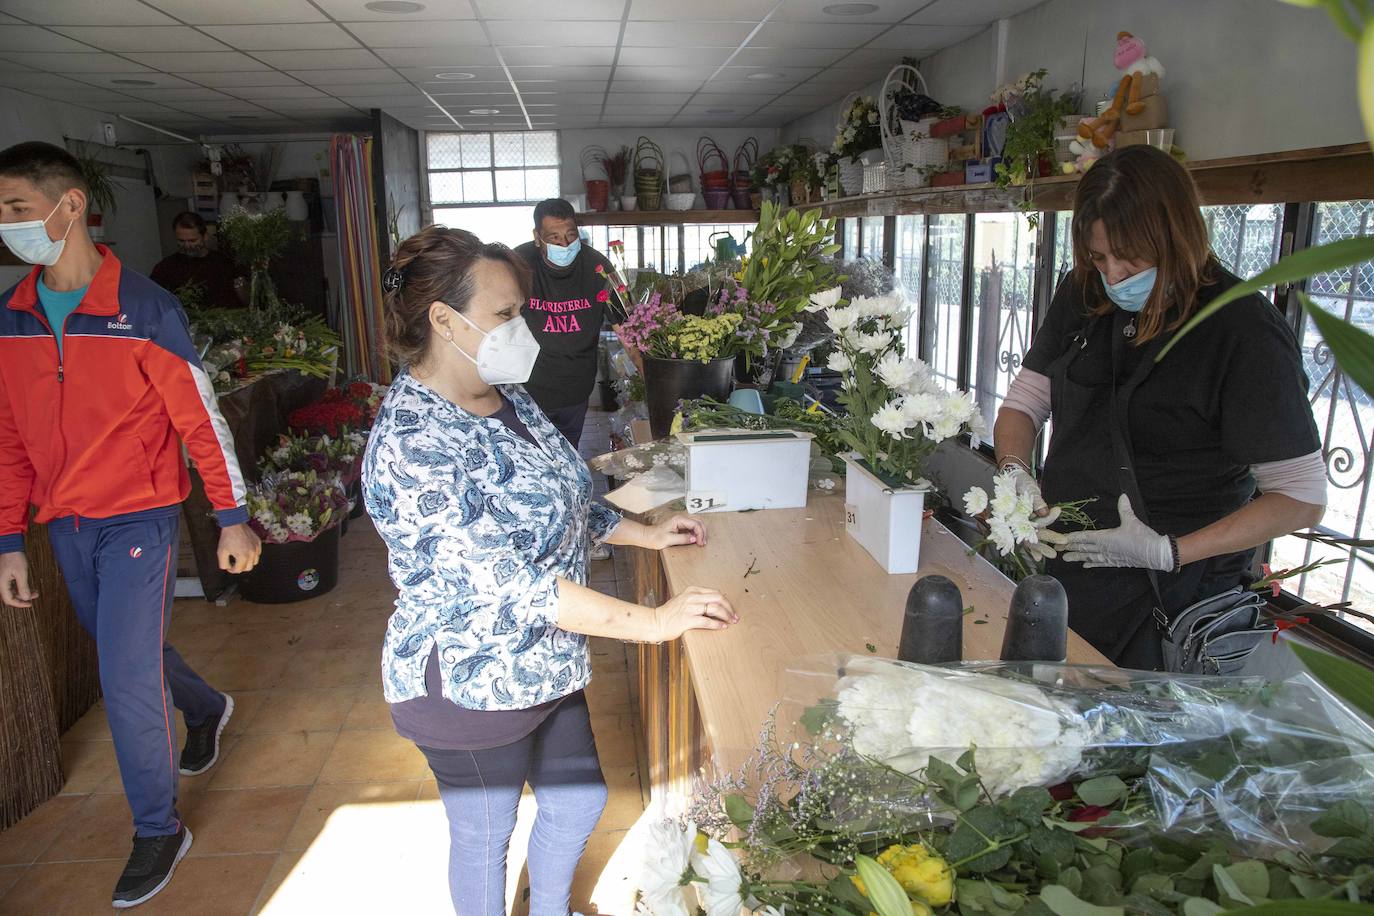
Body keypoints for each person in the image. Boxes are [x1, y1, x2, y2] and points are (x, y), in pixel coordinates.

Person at [364, 225, 736, 916]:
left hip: (542, 657)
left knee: (580, 799)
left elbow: (566, 497)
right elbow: (509, 584)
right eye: (505, 314)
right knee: (484, 835)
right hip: (468, 678)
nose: (521, 328)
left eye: (521, 312)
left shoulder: (505, 394)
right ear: (444, 320)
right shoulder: (414, 441)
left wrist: (646, 534)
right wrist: (652, 623)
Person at [0, 142, 260, 908]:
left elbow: (200, 423)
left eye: (15, 208)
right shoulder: (11, 317)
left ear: (69, 206)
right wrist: (10, 537)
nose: (6, 224)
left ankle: (157, 829)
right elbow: (9, 438)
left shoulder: (144, 307)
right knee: (134, 653)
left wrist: (232, 518)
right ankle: (207, 705)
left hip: (139, 516)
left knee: (123, 676)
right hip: (65, 526)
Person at [993, 145, 1327, 669]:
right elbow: (1026, 402)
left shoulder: (1241, 331)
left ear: (1178, 238)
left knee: (1142, 742)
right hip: (1074, 580)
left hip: (1176, 600)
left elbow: (1302, 497)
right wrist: (1014, 470)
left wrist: (1170, 551)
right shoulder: (1084, 294)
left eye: (1131, 257)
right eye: (1100, 258)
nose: (1116, 275)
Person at [513, 198, 625, 449]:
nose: (564, 244)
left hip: (575, 389)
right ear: (537, 236)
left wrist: (649, 383)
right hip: (527, 390)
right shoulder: (519, 263)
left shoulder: (597, 267)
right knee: (533, 461)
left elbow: (625, 328)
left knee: (567, 458)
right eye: (554, 238)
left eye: (570, 236)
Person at [149, 211, 246, 308]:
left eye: (192, 240)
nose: (187, 246)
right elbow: (153, 301)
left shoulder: (224, 262)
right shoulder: (165, 268)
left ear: (205, 236)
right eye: (181, 241)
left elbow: (244, 299)